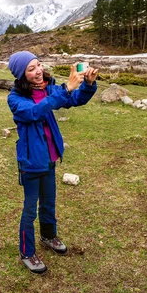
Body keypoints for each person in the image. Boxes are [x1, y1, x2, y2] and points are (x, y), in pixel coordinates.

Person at [7, 51, 98, 275]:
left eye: (38, 65)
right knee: (30, 210)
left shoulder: (48, 88)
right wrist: (66, 88)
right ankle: (27, 253)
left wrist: (86, 85)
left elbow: (75, 100)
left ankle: (48, 235)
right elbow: (36, 112)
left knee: (49, 203)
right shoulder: (16, 99)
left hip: (49, 159)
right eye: (31, 69)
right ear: (21, 75)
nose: (38, 71)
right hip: (30, 163)